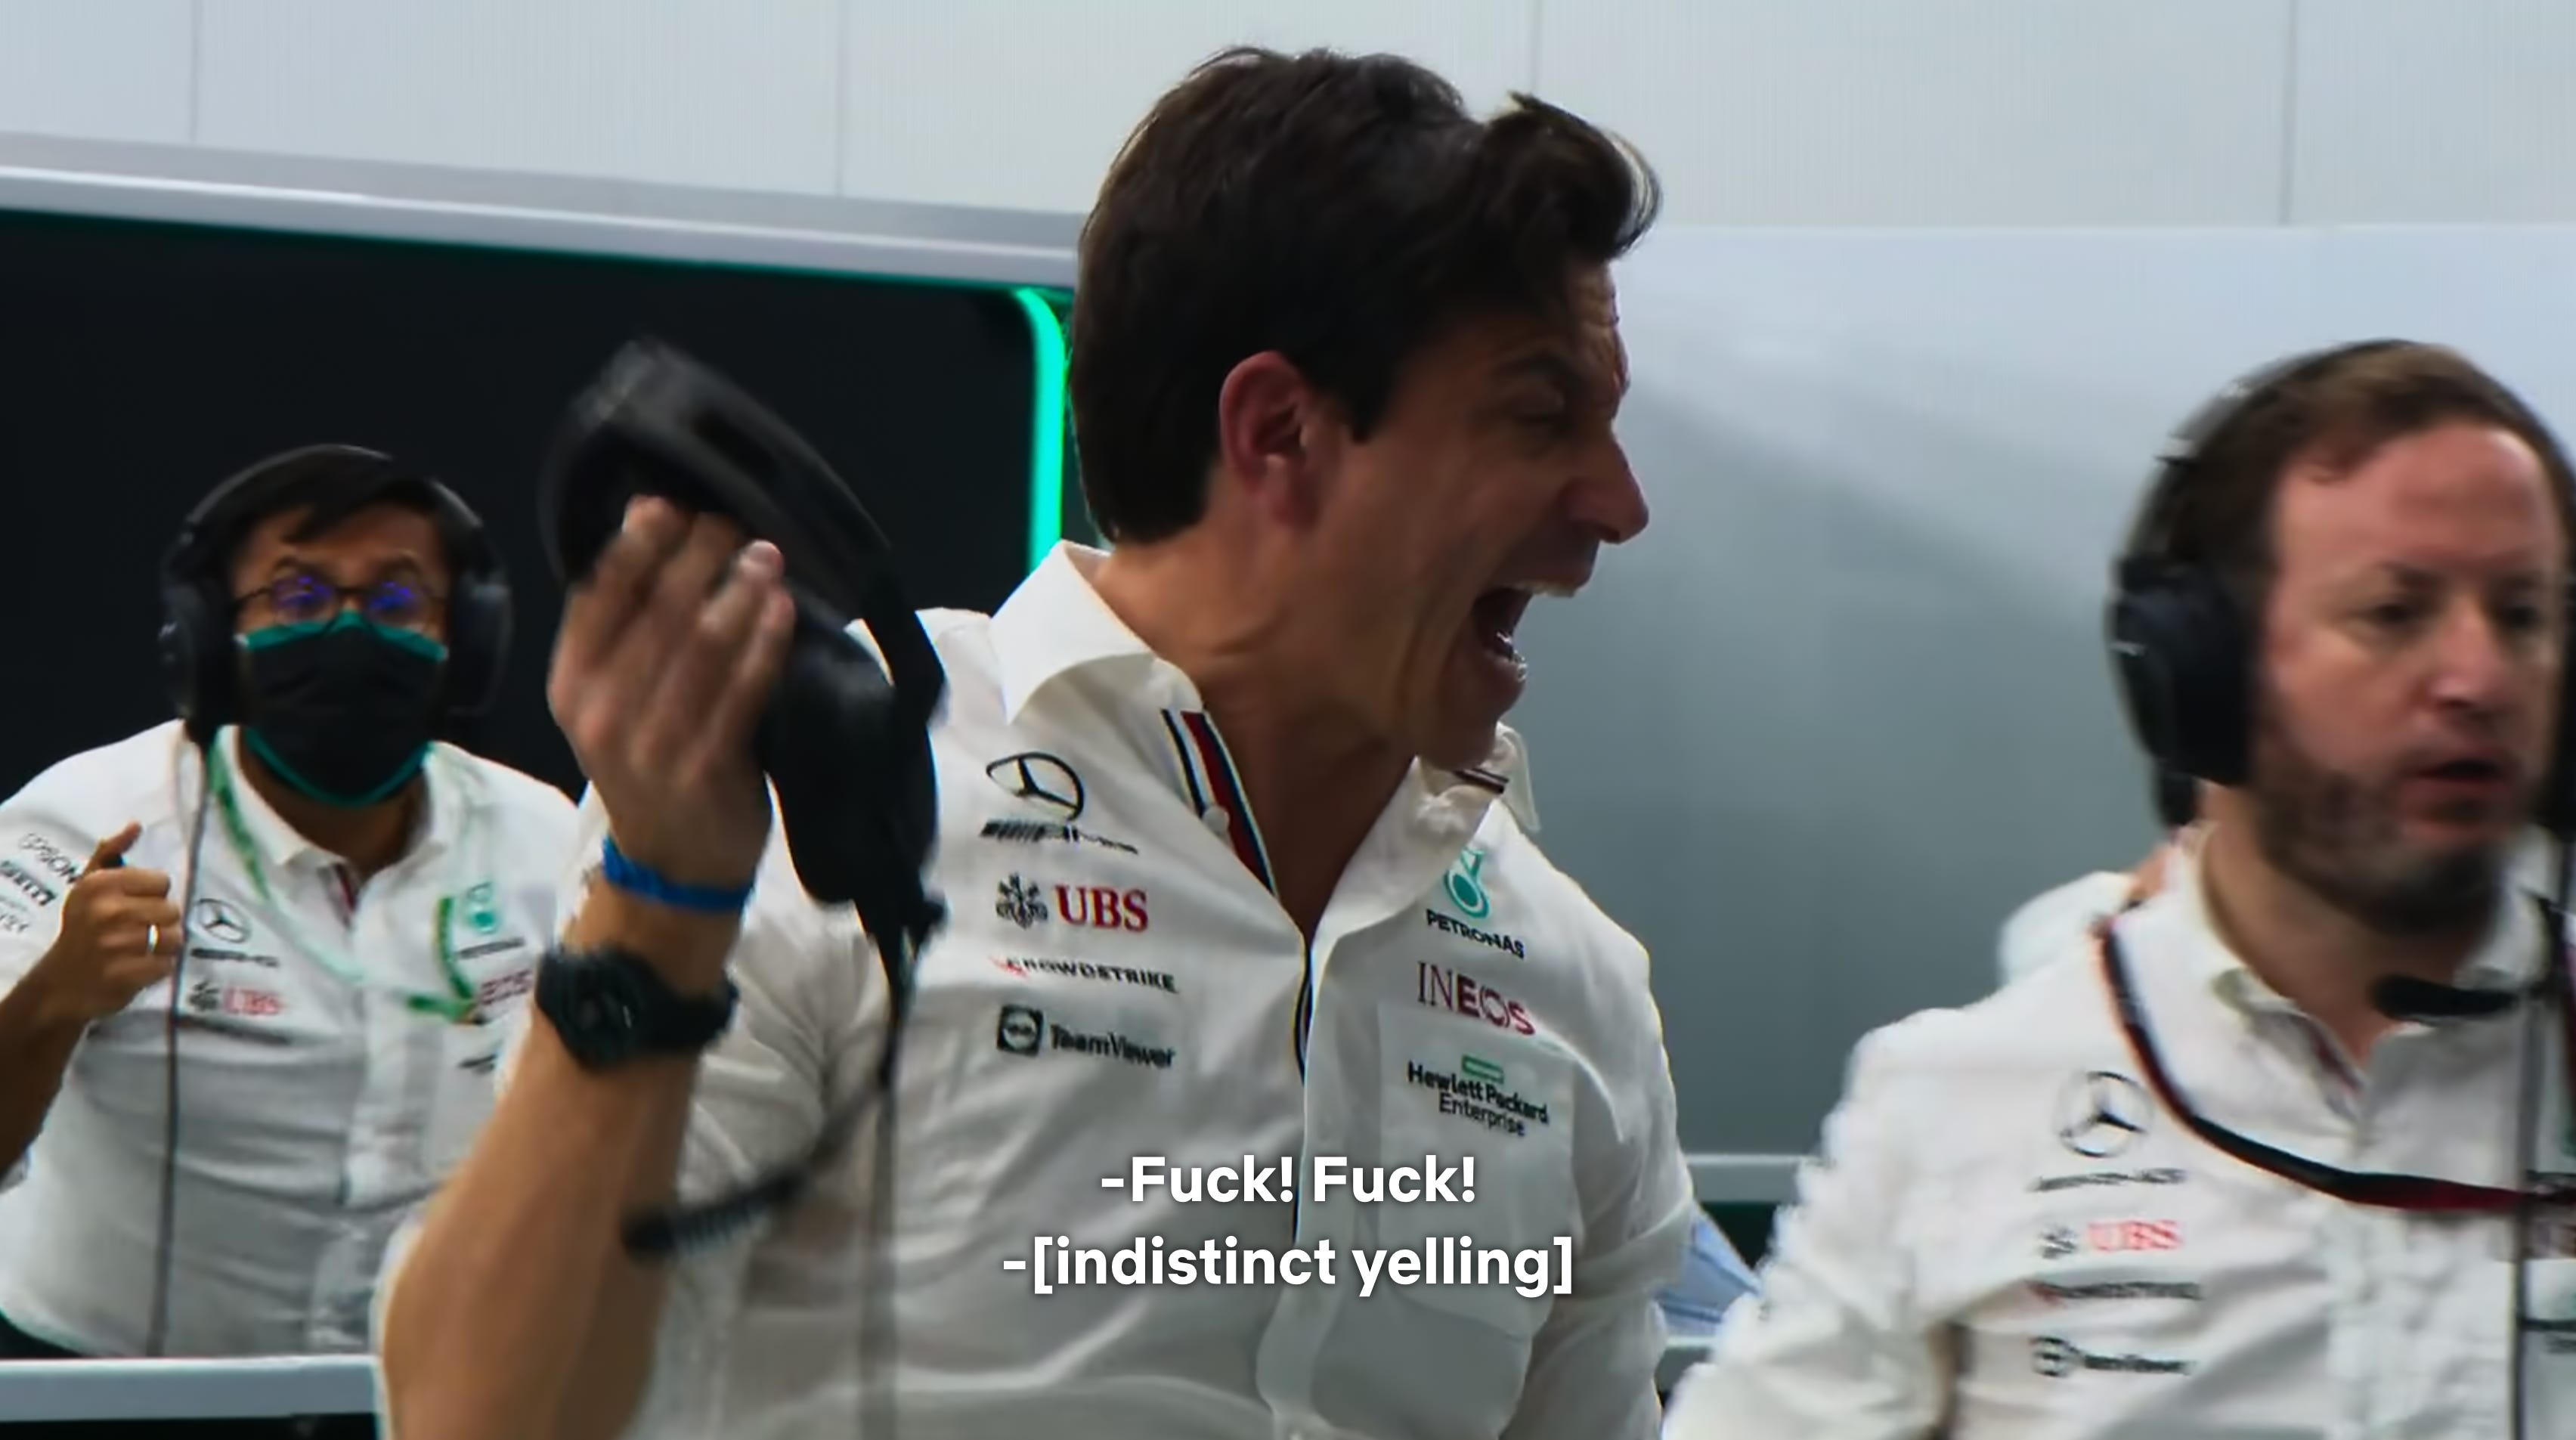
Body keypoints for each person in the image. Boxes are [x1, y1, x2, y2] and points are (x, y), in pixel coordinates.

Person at [378, 45, 1695, 1440]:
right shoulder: (827, 809)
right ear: (1279, 434)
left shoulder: (1574, 978)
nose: (1617, 506)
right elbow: (472, 1420)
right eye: (1541, 416)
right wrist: (659, 911)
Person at [1665, 340, 2576, 1436]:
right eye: (2394, 613)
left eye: (2523, 615)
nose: (2479, 677)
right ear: (2201, 673)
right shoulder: (1957, 1103)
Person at [0, 445, 576, 1365]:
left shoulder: (542, 838)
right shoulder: (83, 823)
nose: (349, 630)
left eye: (396, 599)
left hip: (431, 1392)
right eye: (298, 596)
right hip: (110, 1391)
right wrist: (55, 998)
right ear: (208, 634)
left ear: (465, 637)